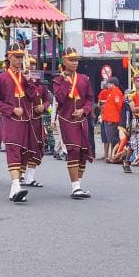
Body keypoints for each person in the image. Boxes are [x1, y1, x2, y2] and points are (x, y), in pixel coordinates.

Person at [0, 43, 34, 203]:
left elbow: (32, 97)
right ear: (9, 57)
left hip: (26, 120)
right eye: (16, 56)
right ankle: (16, 185)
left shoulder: (24, 77)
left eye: (21, 57)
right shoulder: (0, 79)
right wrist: (11, 109)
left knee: (23, 153)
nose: (19, 60)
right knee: (13, 150)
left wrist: (29, 83)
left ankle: (14, 190)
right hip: (10, 120)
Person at [52, 47, 95, 199]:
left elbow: (90, 99)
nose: (75, 62)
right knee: (74, 150)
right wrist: (66, 81)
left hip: (81, 119)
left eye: (76, 59)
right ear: (64, 61)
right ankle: (75, 186)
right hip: (67, 119)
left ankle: (79, 185)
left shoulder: (84, 79)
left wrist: (84, 110)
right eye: (71, 60)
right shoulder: (57, 80)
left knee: (83, 151)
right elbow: (60, 99)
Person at [22, 55, 51, 187]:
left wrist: (43, 106)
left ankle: (30, 177)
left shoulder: (41, 84)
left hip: (37, 119)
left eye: (33, 64)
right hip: (23, 119)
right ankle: (20, 175)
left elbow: (47, 100)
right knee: (23, 148)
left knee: (37, 147)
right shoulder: (20, 82)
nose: (32, 67)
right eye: (29, 64)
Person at [100, 77, 123, 164]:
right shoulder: (111, 92)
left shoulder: (116, 93)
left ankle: (114, 156)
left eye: (109, 83)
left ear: (113, 84)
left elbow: (119, 107)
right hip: (108, 118)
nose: (108, 85)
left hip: (112, 119)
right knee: (110, 138)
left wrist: (115, 119)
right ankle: (112, 156)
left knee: (113, 139)